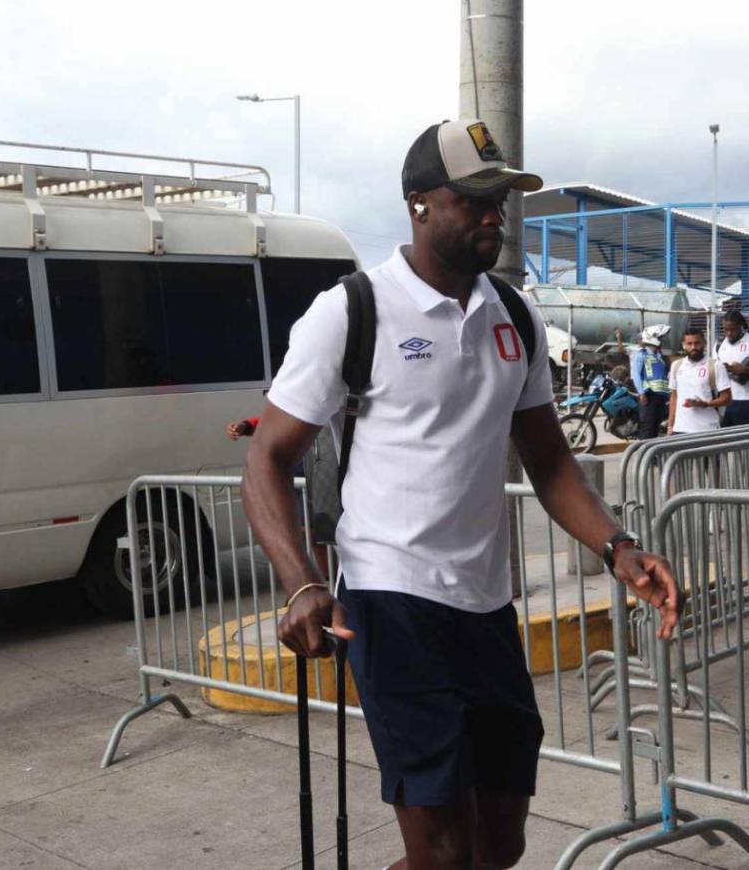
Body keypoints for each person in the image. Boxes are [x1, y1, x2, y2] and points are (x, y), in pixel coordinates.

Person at [240, 118, 682, 870]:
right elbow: (267, 459)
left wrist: (618, 547)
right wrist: (302, 585)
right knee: (444, 848)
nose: (493, 215)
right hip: (391, 604)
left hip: (486, 606)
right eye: (473, 198)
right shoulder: (351, 311)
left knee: (499, 842)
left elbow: (549, 461)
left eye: (501, 199)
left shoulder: (514, 314)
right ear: (418, 204)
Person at [667, 328, 731, 435]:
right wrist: (670, 426)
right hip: (679, 430)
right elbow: (674, 397)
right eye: (689, 343)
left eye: (697, 343)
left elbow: (727, 399)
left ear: (704, 343)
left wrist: (705, 404)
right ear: (684, 345)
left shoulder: (715, 365)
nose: (693, 347)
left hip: (707, 430)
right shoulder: (676, 366)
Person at [716, 309, 749, 426]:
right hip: (725, 402)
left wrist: (745, 370)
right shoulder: (720, 345)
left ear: (741, 326)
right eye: (726, 330)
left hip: (747, 402)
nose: (729, 333)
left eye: (732, 329)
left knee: (746, 441)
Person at [631, 327, 669, 440]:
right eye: (659, 338)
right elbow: (636, 375)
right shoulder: (641, 355)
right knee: (647, 428)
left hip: (660, 397)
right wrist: (641, 393)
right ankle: (645, 456)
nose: (661, 341)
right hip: (649, 396)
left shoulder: (659, 357)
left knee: (655, 428)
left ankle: (652, 456)